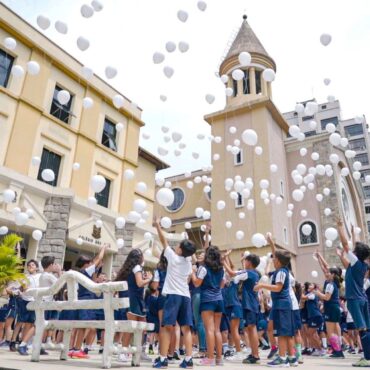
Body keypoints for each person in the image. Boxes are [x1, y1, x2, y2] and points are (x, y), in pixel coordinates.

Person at [152, 217, 196, 369]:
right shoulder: (188, 262)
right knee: (186, 328)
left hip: (173, 295)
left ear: (180, 250)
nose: (175, 246)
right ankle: (189, 359)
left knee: (166, 327)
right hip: (186, 296)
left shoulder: (172, 257)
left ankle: (163, 359)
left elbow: (163, 239)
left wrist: (157, 225)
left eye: (178, 245)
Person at [336, 217, 370, 367]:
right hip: (362, 299)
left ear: (356, 254)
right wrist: (352, 233)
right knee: (366, 328)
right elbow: (349, 257)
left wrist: (340, 226)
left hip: (355, 300)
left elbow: (345, 245)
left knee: (362, 329)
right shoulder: (361, 265)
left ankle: (367, 358)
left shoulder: (356, 262)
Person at [254, 250, 297, 367]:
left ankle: (282, 358)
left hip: (281, 305)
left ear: (278, 260)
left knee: (282, 332)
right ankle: (292, 358)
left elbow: (278, 288)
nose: (272, 260)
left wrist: (262, 285)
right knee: (287, 332)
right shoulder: (281, 271)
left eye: (274, 258)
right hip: (282, 305)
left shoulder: (281, 272)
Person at [68, 243, 108, 359]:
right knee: (82, 326)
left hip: (78, 300)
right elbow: (99, 258)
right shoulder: (85, 271)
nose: (92, 264)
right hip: (86, 300)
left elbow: (94, 278)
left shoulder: (76, 273)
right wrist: (103, 248)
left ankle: (71, 349)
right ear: (86, 264)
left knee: (76, 326)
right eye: (90, 263)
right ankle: (77, 349)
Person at [115, 248, 153, 363]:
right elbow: (140, 283)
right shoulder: (137, 267)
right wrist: (149, 279)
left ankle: (140, 351)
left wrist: (144, 279)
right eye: (142, 255)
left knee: (142, 327)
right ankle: (123, 352)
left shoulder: (129, 268)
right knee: (132, 327)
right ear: (139, 257)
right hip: (134, 300)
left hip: (135, 299)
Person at [223, 252, 261, 364]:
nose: (244, 262)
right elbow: (241, 273)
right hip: (251, 304)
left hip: (249, 304)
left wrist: (223, 262)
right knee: (250, 329)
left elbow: (231, 272)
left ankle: (255, 355)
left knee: (252, 328)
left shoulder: (249, 273)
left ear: (249, 262)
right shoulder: (254, 274)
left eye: (246, 260)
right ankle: (254, 353)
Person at [192, 246, 225, 366]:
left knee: (209, 329)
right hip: (219, 299)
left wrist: (192, 273)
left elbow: (196, 283)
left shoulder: (203, 268)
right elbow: (222, 284)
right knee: (217, 330)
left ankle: (210, 358)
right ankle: (219, 359)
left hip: (207, 300)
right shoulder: (221, 269)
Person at [314, 250, 344, 358]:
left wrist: (317, 292)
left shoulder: (331, 285)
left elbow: (326, 297)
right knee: (332, 331)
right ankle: (337, 350)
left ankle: (338, 351)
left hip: (331, 308)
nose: (327, 273)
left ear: (333, 274)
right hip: (332, 308)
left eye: (329, 272)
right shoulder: (333, 283)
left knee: (330, 332)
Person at [17, 259, 41, 356]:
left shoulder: (40, 276)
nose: (30, 266)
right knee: (27, 324)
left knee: (31, 324)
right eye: (29, 265)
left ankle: (25, 344)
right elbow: (23, 288)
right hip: (26, 301)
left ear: (36, 267)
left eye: (32, 265)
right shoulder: (25, 277)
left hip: (35, 301)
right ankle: (23, 344)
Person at [39, 255, 62, 346]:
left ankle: (45, 342)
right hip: (47, 303)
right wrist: (59, 271)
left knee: (49, 322)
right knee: (48, 323)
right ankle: (44, 342)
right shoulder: (49, 276)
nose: (55, 266)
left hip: (47, 302)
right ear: (50, 265)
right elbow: (60, 284)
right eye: (54, 264)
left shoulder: (44, 275)